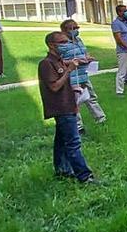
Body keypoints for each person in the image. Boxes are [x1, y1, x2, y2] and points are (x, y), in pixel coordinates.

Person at [38, 31, 95, 184]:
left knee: (61, 141)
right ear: (51, 45)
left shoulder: (60, 60)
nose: (66, 45)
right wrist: (69, 71)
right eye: (62, 42)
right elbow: (55, 86)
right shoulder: (47, 64)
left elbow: (63, 83)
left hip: (69, 104)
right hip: (61, 107)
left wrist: (74, 87)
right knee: (73, 143)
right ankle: (84, 176)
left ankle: (62, 169)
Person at [60, 19, 106, 133]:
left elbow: (85, 52)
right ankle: (78, 126)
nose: (77, 30)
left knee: (91, 97)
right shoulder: (62, 44)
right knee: (75, 102)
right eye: (74, 28)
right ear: (66, 30)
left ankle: (101, 119)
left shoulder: (78, 40)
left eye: (77, 28)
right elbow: (59, 61)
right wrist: (75, 61)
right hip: (72, 76)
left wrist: (88, 58)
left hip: (83, 74)